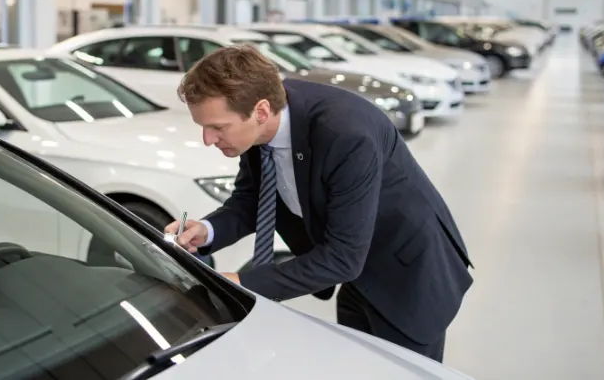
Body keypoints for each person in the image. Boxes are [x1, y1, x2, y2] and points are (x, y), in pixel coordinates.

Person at [164, 44, 473, 362]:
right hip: (357, 275)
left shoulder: (346, 134)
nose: (208, 139)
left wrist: (240, 283)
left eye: (217, 127)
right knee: (359, 365)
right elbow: (252, 198)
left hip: (408, 276)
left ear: (260, 111)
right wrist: (207, 229)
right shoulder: (261, 126)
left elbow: (342, 259)